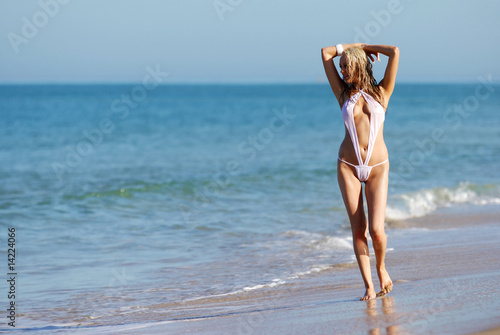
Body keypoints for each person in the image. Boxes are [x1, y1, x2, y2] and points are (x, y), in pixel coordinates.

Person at [321, 43, 399, 301]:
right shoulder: (342, 94)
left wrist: (365, 47)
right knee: (358, 229)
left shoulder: (382, 93)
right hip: (348, 166)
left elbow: (395, 52)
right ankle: (367, 285)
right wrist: (350, 47)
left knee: (377, 230)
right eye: (341, 66)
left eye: (346, 66)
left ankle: (381, 268)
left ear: (358, 64)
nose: (342, 71)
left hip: (377, 167)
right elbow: (325, 53)